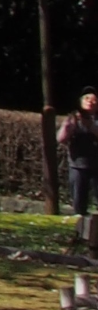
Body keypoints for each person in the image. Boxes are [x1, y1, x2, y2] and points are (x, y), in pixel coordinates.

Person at [59, 87, 98, 216]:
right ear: (80, 102)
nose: (90, 102)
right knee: (79, 202)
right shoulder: (74, 118)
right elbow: (61, 139)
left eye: (93, 100)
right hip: (78, 165)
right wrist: (68, 126)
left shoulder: (95, 120)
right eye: (86, 98)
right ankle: (79, 230)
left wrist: (91, 126)